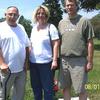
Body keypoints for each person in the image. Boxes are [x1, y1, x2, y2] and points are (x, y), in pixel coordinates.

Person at [58, 0, 94, 100]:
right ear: (65, 7)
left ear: (76, 6)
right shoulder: (61, 23)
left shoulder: (84, 21)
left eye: (71, 5)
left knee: (81, 89)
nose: (69, 7)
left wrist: (90, 62)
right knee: (65, 88)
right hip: (64, 61)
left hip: (79, 61)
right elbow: (59, 42)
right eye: (67, 5)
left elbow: (90, 43)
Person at [29, 5, 60, 100]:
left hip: (46, 63)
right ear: (36, 15)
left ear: (46, 15)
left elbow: (56, 43)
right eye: (38, 13)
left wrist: (54, 60)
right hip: (33, 63)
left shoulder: (51, 27)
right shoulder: (34, 28)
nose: (40, 15)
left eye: (43, 13)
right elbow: (31, 44)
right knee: (36, 88)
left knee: (48, 89)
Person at [0, 6, 30, 100]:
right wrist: (2, 63)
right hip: (6, 70)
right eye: (10, 14)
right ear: (5, 15)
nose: (13, 16)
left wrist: (26, 63)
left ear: (18, 16)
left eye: (15, 15)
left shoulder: (21, 27)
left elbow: (26, 46)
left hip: (21, 70)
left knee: (19, 96)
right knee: (2, 95)